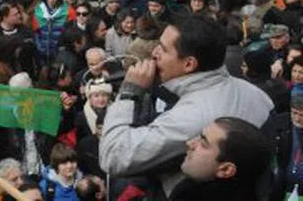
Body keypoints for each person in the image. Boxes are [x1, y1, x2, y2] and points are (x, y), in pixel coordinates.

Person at [99, 15, 274, 198]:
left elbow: (113, 156)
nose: (154, 53)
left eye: (163, 50)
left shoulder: (192, 118)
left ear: (189, 64)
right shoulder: (257, 95)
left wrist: (129, 93)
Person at [169, 117, 272, 200]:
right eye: (199, 136)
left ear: (225, 169)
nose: (190, 143)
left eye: (204, 144)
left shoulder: (191, 193)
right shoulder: (191, 189)